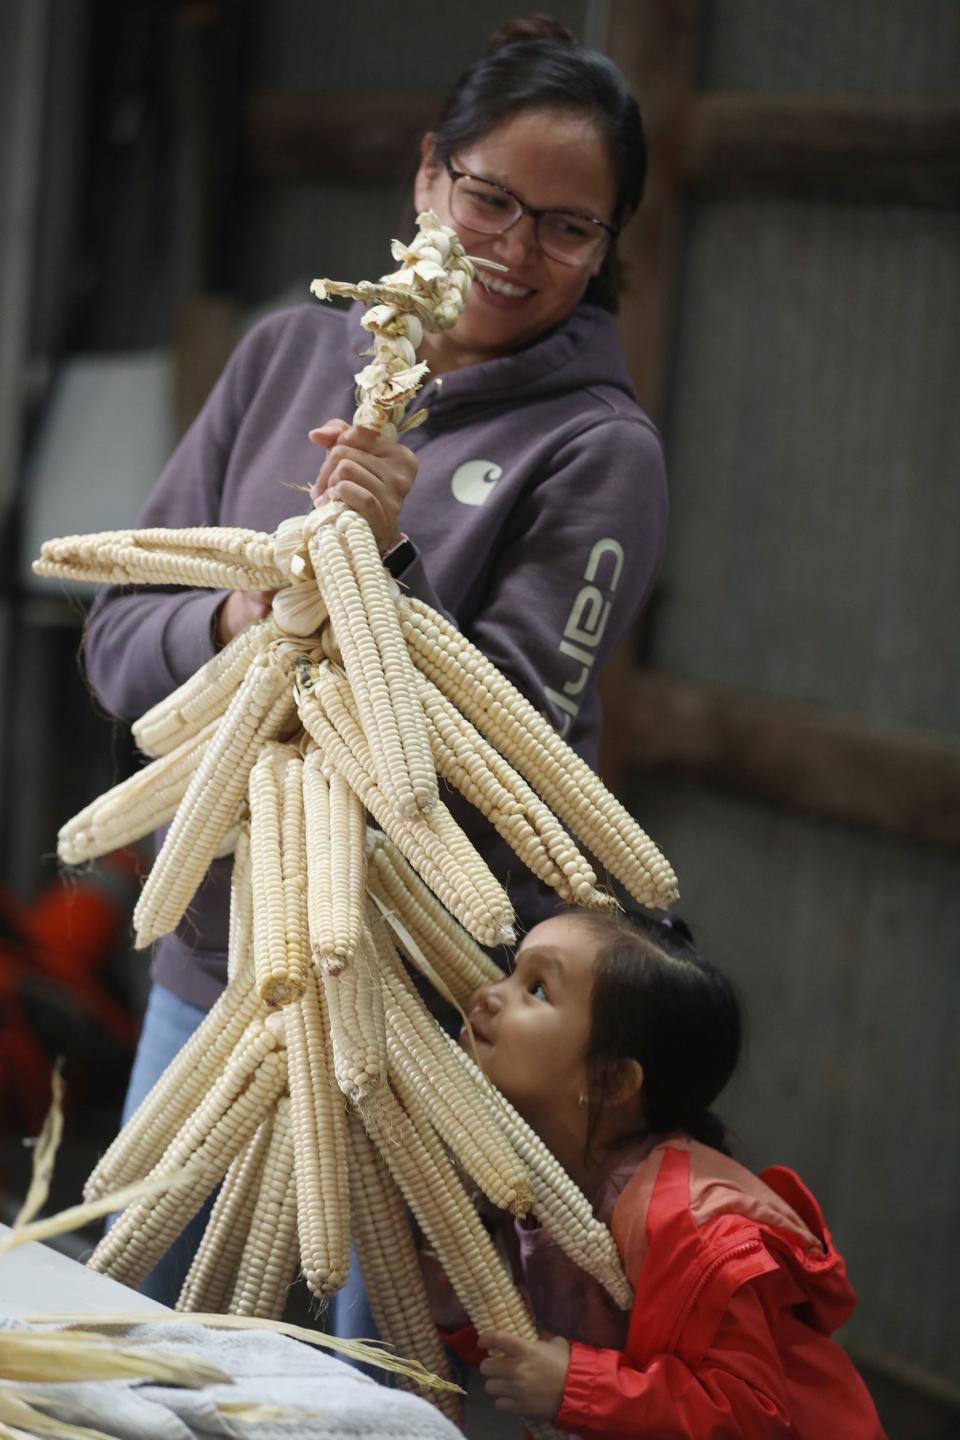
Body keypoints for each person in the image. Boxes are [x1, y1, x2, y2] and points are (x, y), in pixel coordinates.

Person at [83, 15, 668, 1304]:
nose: (517, 251)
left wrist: (380, 571)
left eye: (569, 227)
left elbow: (505, 735)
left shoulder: (596, 450)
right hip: (219, 967)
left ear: (608, 245)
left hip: (423, 1012)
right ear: (427, 177)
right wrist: (248, 620)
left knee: (365, 1369)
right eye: (491, 200)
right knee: (145, 1330)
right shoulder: (287, 352)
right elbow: (120, 639)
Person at [423, 909, 887, 1437]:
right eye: (510, 973)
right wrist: (464, 1310)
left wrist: (573, 1386)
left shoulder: (693, 1228)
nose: (488, 993)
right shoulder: (532, 1171)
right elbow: (565, 1331)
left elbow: (748, 1412)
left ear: (610, 1081)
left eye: (537, 990)